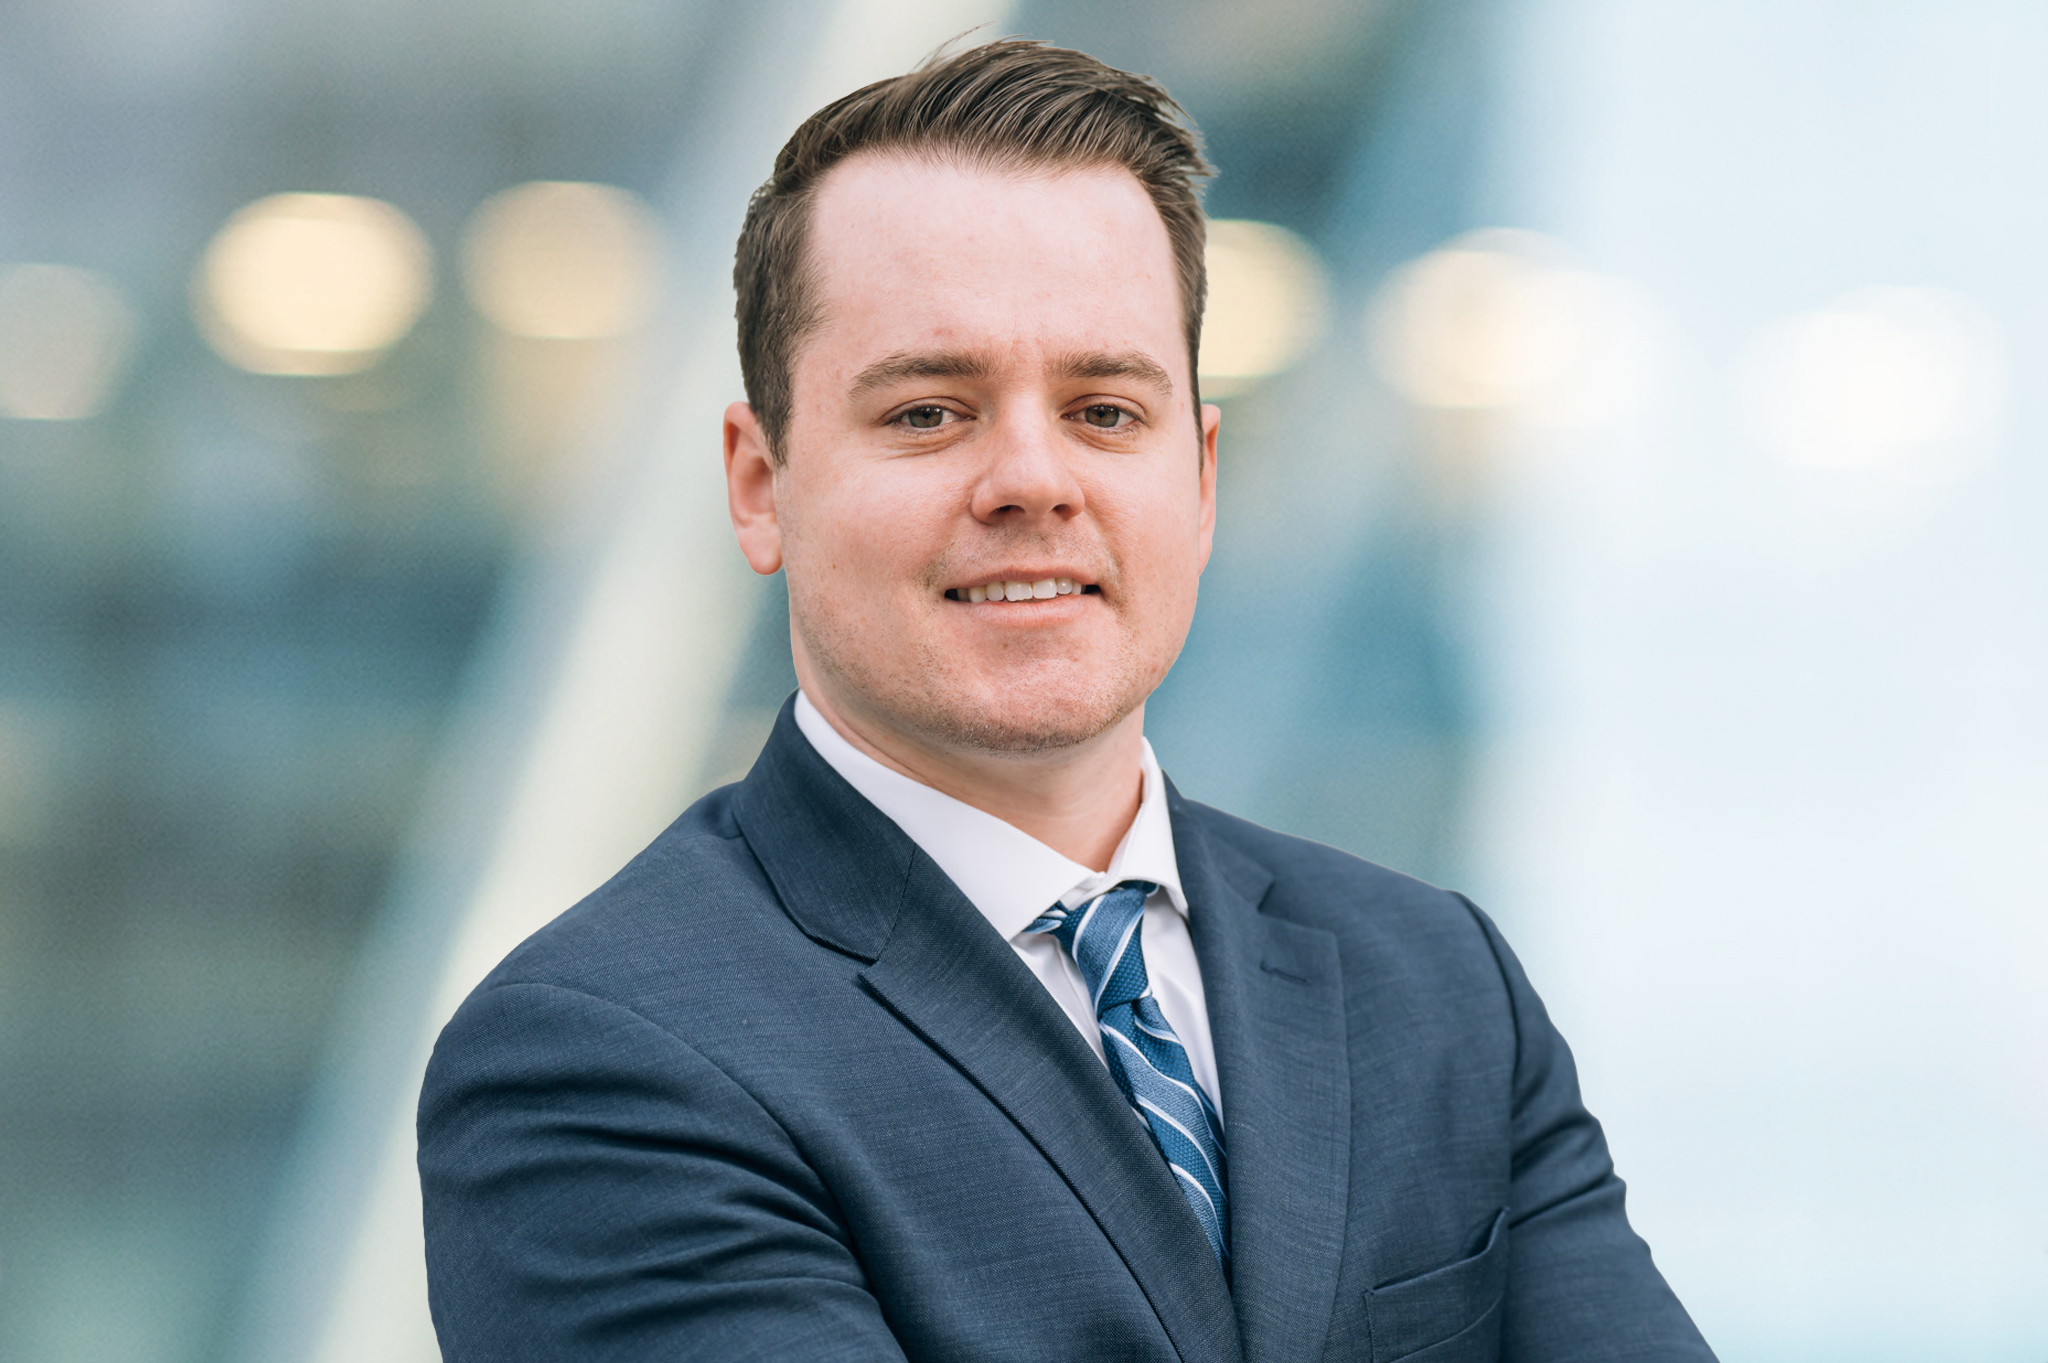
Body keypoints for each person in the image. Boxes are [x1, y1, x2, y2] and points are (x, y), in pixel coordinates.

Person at [417, 40, 1717, 1363]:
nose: (1033, 481)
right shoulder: (598, 1063)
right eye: (930, 413)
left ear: (1200, 479)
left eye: (1104, 410)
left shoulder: (1434, 982)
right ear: (762, 484)